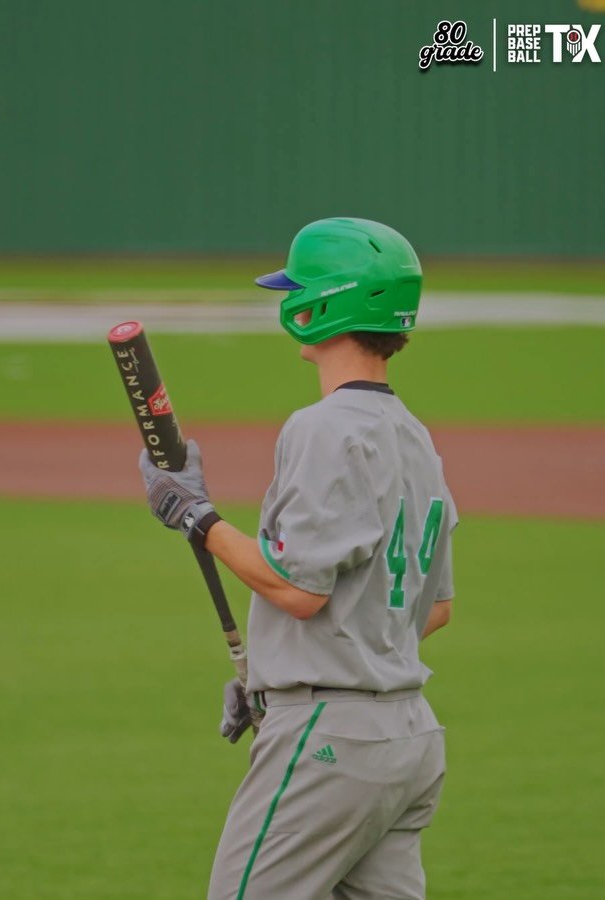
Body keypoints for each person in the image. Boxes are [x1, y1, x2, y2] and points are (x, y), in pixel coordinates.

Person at [139, 217, 457, 900]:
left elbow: (297, 589)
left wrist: (195, 517)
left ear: (322, 306)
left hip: (331, 744)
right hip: (409, 738)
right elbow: (434, 610)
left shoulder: (324, 428)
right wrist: (281, 675)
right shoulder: (415, 437)